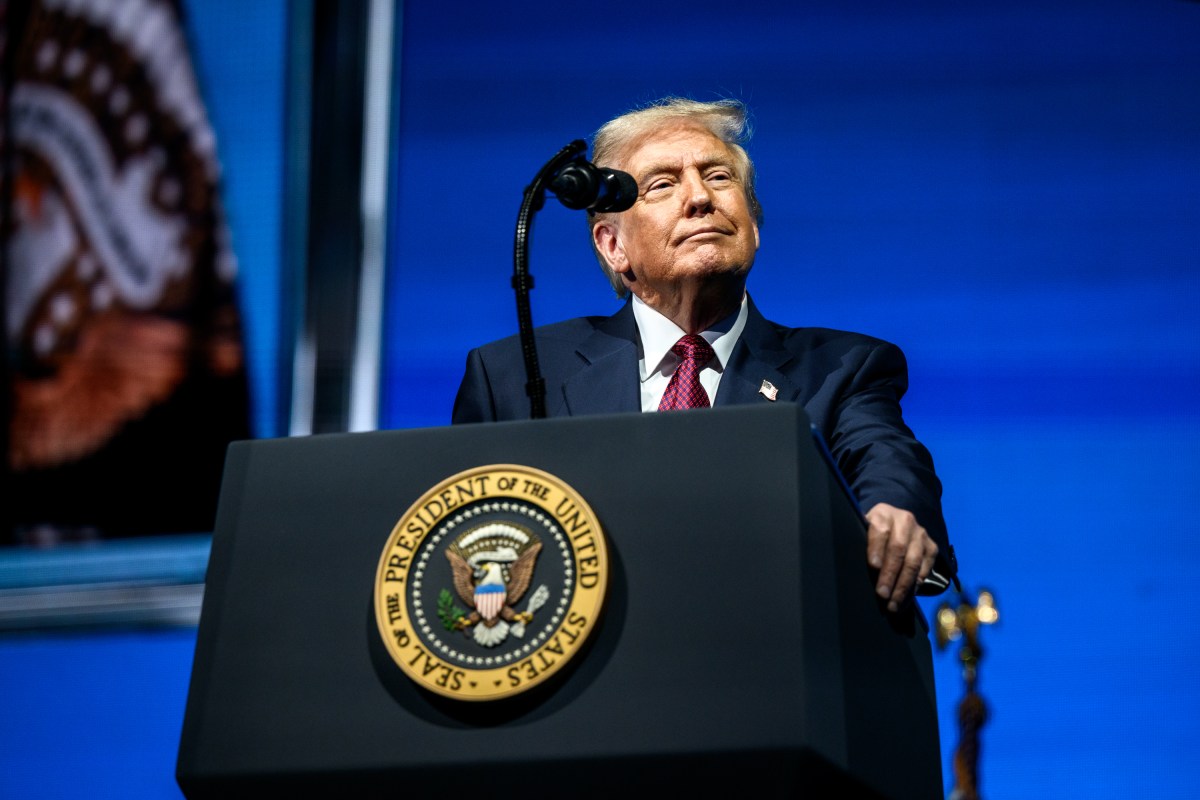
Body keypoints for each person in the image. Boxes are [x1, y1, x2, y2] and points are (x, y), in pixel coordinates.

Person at [453, 97, 956, 611]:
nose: (699, 197)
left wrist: (893, 510)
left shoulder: (842, 367)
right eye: (662, 185)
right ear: (612, 246)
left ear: (754, 228)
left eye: (718, 178)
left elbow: (884, 457)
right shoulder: (513, 376)